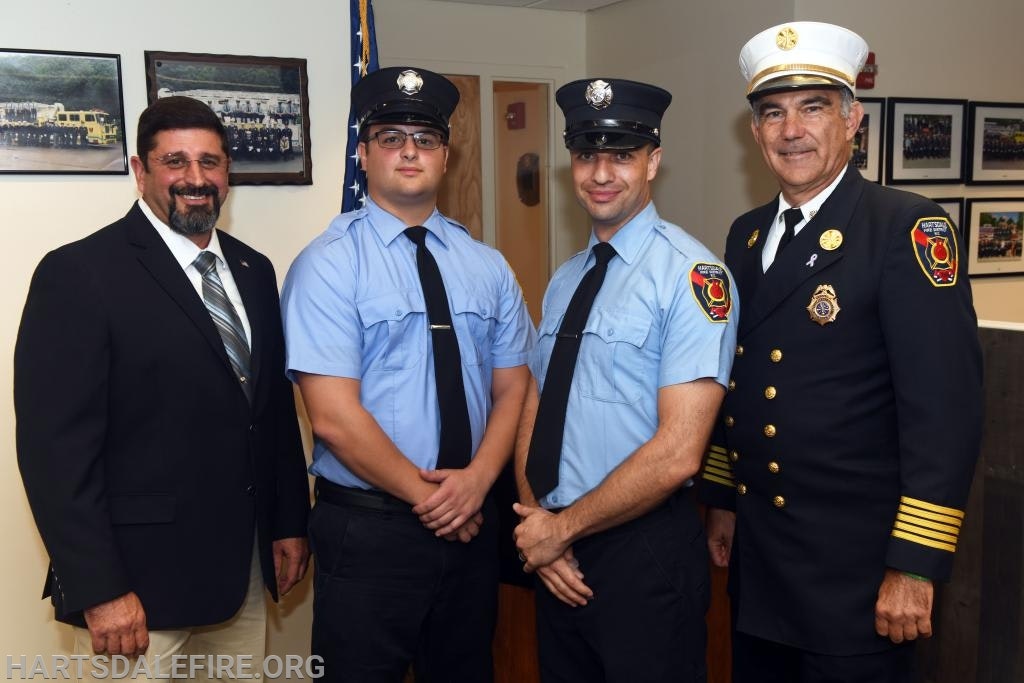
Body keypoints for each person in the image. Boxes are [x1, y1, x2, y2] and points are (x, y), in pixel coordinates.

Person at [699, 21, 983, 683]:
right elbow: (738, 375)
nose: (791, 130)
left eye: (813, 108)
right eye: (773, 113)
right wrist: (722, 495)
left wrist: (915, 564)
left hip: (858, 577)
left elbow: (945, 415)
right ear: (755, 132)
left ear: (853, 121)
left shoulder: (906, 227)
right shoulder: (745, 236)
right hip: (761, 566)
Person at [14, 96, 311, 681]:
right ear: (139, 170)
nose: (195, 179)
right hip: (135, 591)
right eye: (175, 161)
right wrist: (100, 588)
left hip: (242, 575)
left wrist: (288, 523)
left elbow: (271, 414)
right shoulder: (79, 273)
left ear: (227, 171)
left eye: (210, 162)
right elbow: (55, 454)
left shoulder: (253, 270)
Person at [281, 66, 534, 682]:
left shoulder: (487, 266)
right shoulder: (328, 265)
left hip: (471, 523)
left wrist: (477, 483)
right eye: (391, 138)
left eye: (425, 139)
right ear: (363, 154)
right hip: (370, 530)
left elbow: (513, 389)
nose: (410, 152)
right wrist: (436, 500)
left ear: (446, 155)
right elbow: (333, 419)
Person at [513, 78, 739, 682]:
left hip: (642, 554)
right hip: (557, 550)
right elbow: (538, 401)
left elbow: (678, 453)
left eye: (622, 155)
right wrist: (537, 524)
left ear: (653, 162)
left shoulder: (693, 278)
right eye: (587, 155)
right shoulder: (565, 278)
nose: (601, 173)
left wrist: (559, 531)